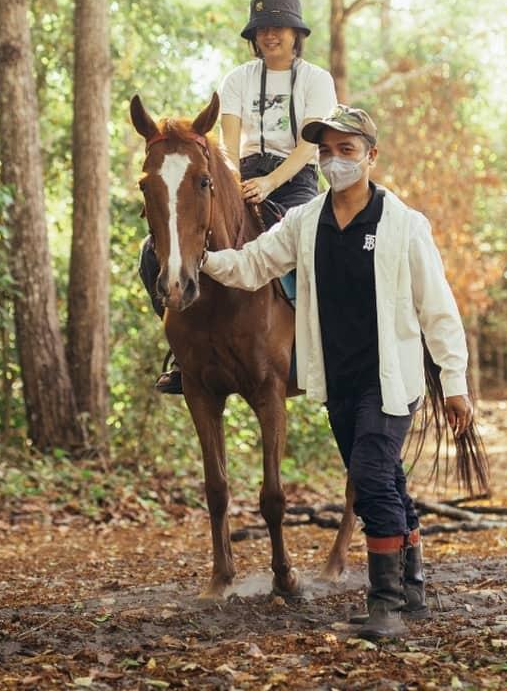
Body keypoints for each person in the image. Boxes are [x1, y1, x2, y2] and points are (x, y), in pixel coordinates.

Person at [199, 104, 474, 640]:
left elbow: (437, 309)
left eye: (346, 150)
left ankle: (386, 607)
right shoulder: (306, 221)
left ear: (371, 156)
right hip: (338, 379)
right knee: (388, 479)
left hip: (389, 378)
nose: (334, 160)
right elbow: (254, 263)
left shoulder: (404, 225)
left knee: (370, 479)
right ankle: (413, 591)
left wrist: (455, 383)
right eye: (326, 151)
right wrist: (205, 262)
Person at [140, 0, 337, 393]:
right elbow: (227, 143)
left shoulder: (317, 80)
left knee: (313, 247)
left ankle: (321, 347)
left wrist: (271, 183)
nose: (270, 35)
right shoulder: (238, 80)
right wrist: (234, 185)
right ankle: (183, 354)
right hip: (241, 177)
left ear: (295, 33)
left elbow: (309, 145)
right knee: (151, 251)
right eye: (262, 29)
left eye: (278, 27)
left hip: (294, 179)